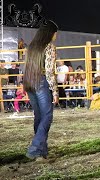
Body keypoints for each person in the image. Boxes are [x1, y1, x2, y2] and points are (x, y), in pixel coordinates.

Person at [23, 20, 59, 160]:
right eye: (56, 32)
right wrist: (55, 91)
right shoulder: (49, 47)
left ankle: (42, 151)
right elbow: (49, 71)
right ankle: (35, 149)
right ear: (51, 33)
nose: (56, 35)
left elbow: (26, 67)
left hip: (30, 82)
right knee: (47, 116)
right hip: (41, 82)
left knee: (39, 116)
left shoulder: (32, 46)